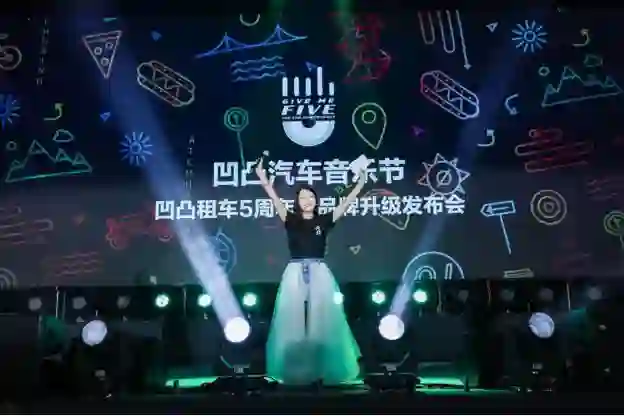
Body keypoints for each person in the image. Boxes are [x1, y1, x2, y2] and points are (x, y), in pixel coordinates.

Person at [255, 159, 366, 385]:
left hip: (319, 272)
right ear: (297, 202)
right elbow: (274, 199)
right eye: (303, 197)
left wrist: (359, 185)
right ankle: (294, 369)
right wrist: (264, 180)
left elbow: (346, 203)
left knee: (323, 319)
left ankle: (324, 369)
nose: (308, 200)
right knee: (293, 320)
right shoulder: (291, 219)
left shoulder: (324, 220)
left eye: (311, 197)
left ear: (316, 200)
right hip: (295, 272)